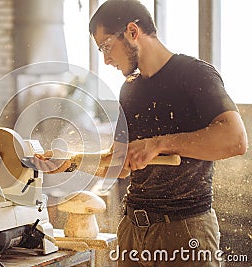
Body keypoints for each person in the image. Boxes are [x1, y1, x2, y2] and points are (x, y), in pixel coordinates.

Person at [33, 0, 248, 266]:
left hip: (184, 232)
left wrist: (159, 144)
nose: (105, 59)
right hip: (132, 232)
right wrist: (70, 161)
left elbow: (235, 140)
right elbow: (120, 163)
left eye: (106, 46)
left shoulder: (194, 74)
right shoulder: (130, 90)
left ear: (132, 31)